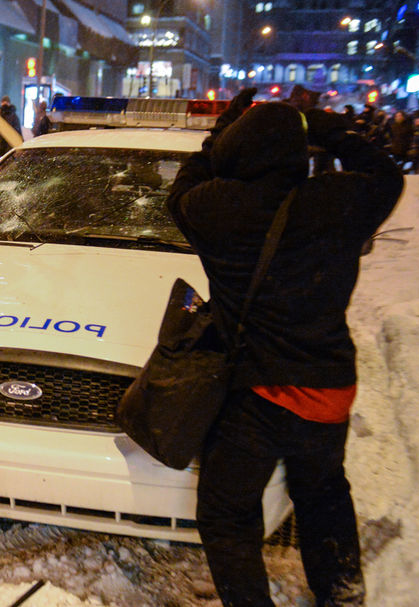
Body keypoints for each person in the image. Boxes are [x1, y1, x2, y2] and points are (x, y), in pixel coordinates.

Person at [167, 88, 403, 607]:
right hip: (327, 390)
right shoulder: (337, 202)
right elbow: (388, 176)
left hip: (256, 393)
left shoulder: (219, 209)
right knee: (322, 493)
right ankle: (341, 591)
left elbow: (180, 191)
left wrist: (219, 132)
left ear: (238, 151)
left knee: (227, 514)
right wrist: (324, 126)